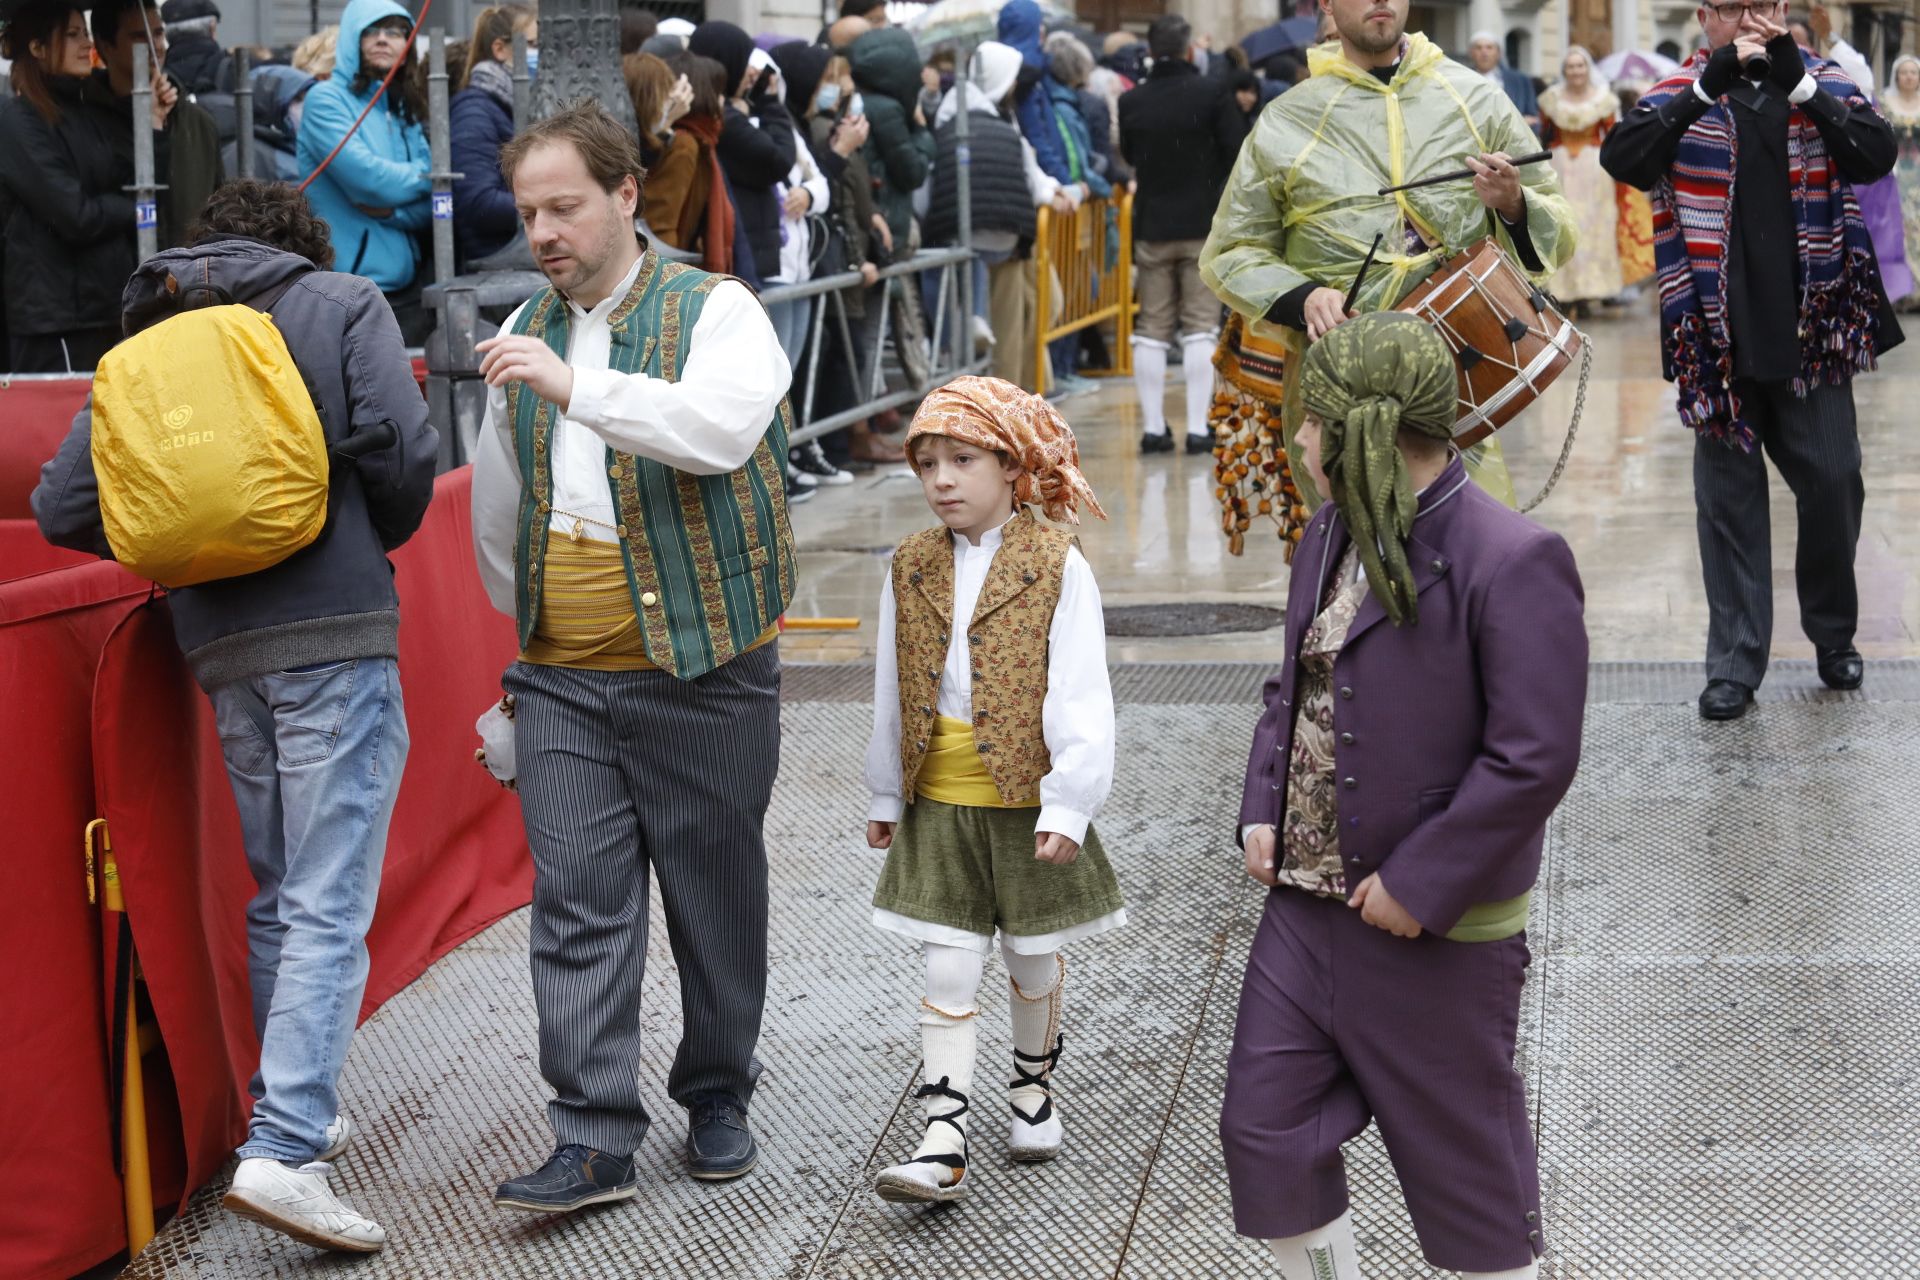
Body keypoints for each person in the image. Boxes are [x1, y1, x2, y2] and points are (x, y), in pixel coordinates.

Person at [33, 178, 439, 1254]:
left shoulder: (151, 336)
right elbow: (405, 454)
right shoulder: (341, 301)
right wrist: (351, 535)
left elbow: (62, 504)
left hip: (216, 648)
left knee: (279, 886)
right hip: (337, 629)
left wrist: (191, 547)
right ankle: (289, 1143)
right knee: (330, 894)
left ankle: (288, 1102)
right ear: (300, 245)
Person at [468, 100, 796, 1211]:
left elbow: (717, 431)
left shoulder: (719, 310)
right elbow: (500, 506)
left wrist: (577, 387)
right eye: (527, 213)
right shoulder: (528, 319)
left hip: (703, 669)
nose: (545, 230)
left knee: (713, 895)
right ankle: (595, 1131)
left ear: (622, 195)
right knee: (577, 900)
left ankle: (716, 1091)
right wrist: (525, 650)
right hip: (562, 676)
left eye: (565, 206)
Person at [1223, 311, 1585, 1280]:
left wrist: (1421, 882)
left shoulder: (1513, 559)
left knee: (1469, 1186)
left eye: (1310, 420)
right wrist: (1263, 800)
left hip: (1431, 924)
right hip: (1305, 907)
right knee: (1265, 1132)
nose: (1298, 438)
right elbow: (1289, 685)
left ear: (1361, 432)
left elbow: (1533, 755)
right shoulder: (1330, 529)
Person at [864, 374, 1124, 1204]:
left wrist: (1071, 802)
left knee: (1033, 954)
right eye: (928, 463)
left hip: (1026, 797)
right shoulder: (910, 566)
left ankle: (1032, 1088)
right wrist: (883, 794)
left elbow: (1081, 691)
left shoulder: (1054, 564)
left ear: (1013, 468)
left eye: (963, 460)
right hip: (940, 798)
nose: (942, 479)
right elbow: (890, 687)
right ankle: (943, 1136)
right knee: (948, 965)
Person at [1600, 0, 1897, 718]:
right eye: (1733, 8)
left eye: (1762, 6)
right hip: (1717, 342)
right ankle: (1734, 662)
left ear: (1784, 12)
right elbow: (1624, 157)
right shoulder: (1680, 93)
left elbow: (1874, 154)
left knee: (1834, 485)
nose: (1749, 20)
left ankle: (1832, 634)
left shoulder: (1821, 82)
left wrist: (1800, 86)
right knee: (1728, 506)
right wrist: (1710, 85)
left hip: (1813, 334)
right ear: (1706, 18)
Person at [1200, 0, 1575, 517]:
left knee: (1468, 551)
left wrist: (1514, 203)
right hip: (1339, 377)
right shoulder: (1288, 119)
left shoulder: (1474, 98)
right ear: (1328, 4)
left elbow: (1553, 212)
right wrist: (1306, 298)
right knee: (1355, 557)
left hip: (1454, 368)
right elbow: (1233, 247)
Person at [0, 0, 157, 372]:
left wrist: (155, 129)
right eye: (72, 35)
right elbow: (75, 215)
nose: (86, 43)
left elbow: (135, 179)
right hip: (56, 320)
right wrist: (135, 210)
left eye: (85, 32)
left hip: (106, 306)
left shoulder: (85, 110)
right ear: (37, 48)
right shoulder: (17, 121)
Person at [1119, 14, 1247, 455]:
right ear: (1190, 49)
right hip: (1201, 226)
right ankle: (1197, 429)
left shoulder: (1132, 101)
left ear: (1151, 51)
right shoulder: (1212, 92)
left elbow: (1132, 156)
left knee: (1151, 327)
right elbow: (1236, 151)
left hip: (1152, 225)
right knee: (1199, 326)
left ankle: (1153, 430)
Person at [927, 40, 1068, 396]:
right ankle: (1005, 396)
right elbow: (1027, 172)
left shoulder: (968, 114)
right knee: (1007, 324)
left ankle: (996, 392)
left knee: (1012, 315)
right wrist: (1054, 191)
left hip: (984, 233)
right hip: (1004, 234)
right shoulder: (987, 120)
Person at [296, 0, 432, 343]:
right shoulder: (325, 99)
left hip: (408, 287)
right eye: (371, 31)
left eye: (395, 31)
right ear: (351, 39)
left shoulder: (401, 105)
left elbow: (432, 200)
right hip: (347, 290)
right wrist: (423, 177)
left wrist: (393, 212)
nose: (383, 39)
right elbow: (371, 182)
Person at [92, 0, 224, 248]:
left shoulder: (198, 122)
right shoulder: (87, 120)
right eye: (140, 36)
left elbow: (218, 214)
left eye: (159, 33)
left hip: (190, 278)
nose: (156, 46)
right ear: (104, 45)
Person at [689, 22, 796, 291]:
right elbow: (778, 159)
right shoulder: (721, 118)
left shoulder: (725, 114)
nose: (752, 73)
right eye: (746, 61)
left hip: (747, 252)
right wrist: (770, 102)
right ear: (727, 63)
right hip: (741, 260)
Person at [1538, 46, 1627, 311]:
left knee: (1593, 227)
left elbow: (1613, 136)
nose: (1576, 71)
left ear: (1588, 69)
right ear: (1564, 70)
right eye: (1571, 66)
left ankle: (1592, 289)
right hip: (1560, 166)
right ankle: (1565, 290)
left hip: (1594, 169)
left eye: (1581, 66)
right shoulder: (1550, 99)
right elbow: (1546, 134)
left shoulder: (1604, 100)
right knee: (1564, 225)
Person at [450, 3, 536, 267]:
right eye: (533, 44)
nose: (541, 54)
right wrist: (552, 203)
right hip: (496, 261)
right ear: (500, 49)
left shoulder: (519, 103)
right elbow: (479, 203)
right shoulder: (474, 110)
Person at [1884, 55, 1920, 307]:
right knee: (1900, 230)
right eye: (1904, 72)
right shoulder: (1886, 103)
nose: (1909, 76)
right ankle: (1902, 291)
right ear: (1897, 76)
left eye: (1913, 72)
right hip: (1895, 174)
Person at [1468, 30, 1539, 134]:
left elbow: (1534, 119)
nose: (1484, 52)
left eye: (1489, 47)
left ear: (1498, 53)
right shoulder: (1463, 80)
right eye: (1479, 48)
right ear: (1471, 53)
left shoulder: (1520, 80)